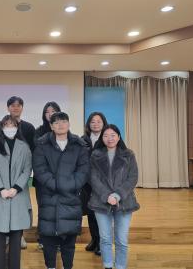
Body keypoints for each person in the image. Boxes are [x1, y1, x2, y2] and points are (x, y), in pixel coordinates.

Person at [33, 112, 89, 269]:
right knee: (48, 241)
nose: (60, 125)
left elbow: (83, 170)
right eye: (56, 123)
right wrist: (58, 185)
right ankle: (50, 266)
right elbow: (40, 170)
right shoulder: (42, 144)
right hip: (49, 196)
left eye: (63, 121)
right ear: (51, 126)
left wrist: (69, 186)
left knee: (69, 242)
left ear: (69, 124)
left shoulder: (79, 145)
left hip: (71, 197)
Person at [89, 124, 140, 269]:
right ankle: (107, 265)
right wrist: (107, 196)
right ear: (102, 138)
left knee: (122, 239)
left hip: (124, 202)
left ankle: (120, 266)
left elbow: (133, 177)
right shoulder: (95, 154)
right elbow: (93, 178)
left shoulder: (129, 154)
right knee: (105, 239)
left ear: (118, 136)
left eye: (113, 135)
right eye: (105, 136)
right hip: (101, 201)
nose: (109, 138)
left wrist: (117, 195)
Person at [0, 115, 32, 269]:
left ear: (17, 127)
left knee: (15, 238)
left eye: (13, 125)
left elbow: (27, 169)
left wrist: (16, 188)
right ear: (1, 127)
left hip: (18, 196)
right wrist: (1, 189)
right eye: (6, 125)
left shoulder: (24, 146)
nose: (10, 128)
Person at [0, 96, 35, 249]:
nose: (15, 108)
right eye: (12, 105)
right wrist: (1, 188)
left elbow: (27, 165)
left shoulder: (28, 129)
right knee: (1, 218)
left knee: (17, 215)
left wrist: (16, 187)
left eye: (18, 105)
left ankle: (18, 237)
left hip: (18, 180)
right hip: (1, 182)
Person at [33, 101, 61, 249]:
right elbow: (38, 155)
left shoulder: (64, 131)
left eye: (53, 111)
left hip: (60, 179)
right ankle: (43, 239)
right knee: (44, 209)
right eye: (47, 112)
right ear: (44, 115)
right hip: (42, 180)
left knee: (58, 209)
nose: (50, 114)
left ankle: (58, 239)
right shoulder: (38, 132)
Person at [81, 112, 108, 256]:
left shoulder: (108, 138)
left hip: (103, 183)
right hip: (87, 184)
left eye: (98, 121)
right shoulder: (82, 140)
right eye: (92, 121)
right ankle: (94, 239)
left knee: (101, 213)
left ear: (104, 123)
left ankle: (102, 243)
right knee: (90, 212)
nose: (95, 124)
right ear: (88, 124)